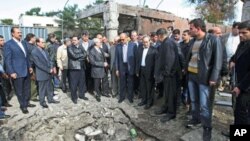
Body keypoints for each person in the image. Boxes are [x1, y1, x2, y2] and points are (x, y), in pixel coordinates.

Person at [186, 18, 223, 141]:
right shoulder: (193, 41)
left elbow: (218, 61)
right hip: (191, 75)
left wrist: (214, 77)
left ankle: (207, 127)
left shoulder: (213, 40)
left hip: (204, 77)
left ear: (198, 28)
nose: (189, 31)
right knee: (194, 100)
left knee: (204, 104)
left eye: (191, 28)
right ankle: (196, 119)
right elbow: (190, 57)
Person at [4, 27, 33, 114]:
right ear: (12, 34)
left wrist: (30, 66)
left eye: (20, 32)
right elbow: (8, 60)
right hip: (17, 71)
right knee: (19, 90)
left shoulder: (23, 43)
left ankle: (27, 102)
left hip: (26, 70)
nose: (20, 34)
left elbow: (26, 56)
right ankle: (23, 106)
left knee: (27, 89)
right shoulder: (8, 44)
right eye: (18, 32)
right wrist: (11, 72)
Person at [154, 28, 180, 122]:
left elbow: (170, 60)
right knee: (167, 93)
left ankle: (171, 113)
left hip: (171, 75)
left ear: (160, 36)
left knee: (171, 94)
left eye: (157, 36)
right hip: (168, 74)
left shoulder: (168, 43)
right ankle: (166, 108)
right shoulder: (165, 42)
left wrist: (166, 73)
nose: (157, 39)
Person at [230, 20, 250, 125]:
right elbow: (236, 56)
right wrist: (232, 61)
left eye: (244, 33)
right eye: (240, 32)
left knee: (244, 114)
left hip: (246, 88)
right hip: (238, 82)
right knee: (237, 111)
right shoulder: (242, 44)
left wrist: (240, 87)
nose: (240, 35)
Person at [32, 38, 60, 108]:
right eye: (42, 42)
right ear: (37, 43)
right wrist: (48, 70)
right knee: (42, 89)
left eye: (44, 42)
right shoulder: (34, 52)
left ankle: (50, 99)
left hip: (49, 73)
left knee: (50, 87)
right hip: (42, 73)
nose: (44, 44)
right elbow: (38, 64)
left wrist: (52, 67)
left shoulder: (45, 50)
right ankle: (42, 102)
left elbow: (49, 60)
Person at [136, 36, 158, 109]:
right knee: (142, 86)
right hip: (141, 69)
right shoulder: (140, 49)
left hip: (150, 71)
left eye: (146, 42)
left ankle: (149, 102)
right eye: (144, 42)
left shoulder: (154, 50)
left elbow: (156, 63)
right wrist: (137, 70)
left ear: (149, 41)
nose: (145, 43)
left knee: (149, 87)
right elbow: (138, 60)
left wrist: (155, 73)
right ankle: (144, 100)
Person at [115, 33, 137, 103]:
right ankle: (122, 97)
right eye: (120, 39)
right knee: (122, 83)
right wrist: (117, 69)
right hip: (122, 67)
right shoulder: (118, 46)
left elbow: (136, 58)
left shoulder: (133, 45)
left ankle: (130, 97)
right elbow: (116, 59)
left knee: (130, 83)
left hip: (130, 66)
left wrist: (136, 69)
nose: (121, 41)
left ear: (127, 38)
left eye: (123, 39)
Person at [68, 36, 88, 104]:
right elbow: (74, 56)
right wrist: (81, 56)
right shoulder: (69, 47)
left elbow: (85, 53)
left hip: (81, 67)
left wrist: (80, 56)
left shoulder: (80, 46)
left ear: (78, 41)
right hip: (74, 68)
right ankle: (74, 98)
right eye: (73, 40)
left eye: (75, 40)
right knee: (74, 83)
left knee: (82, 82)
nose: (74, 41)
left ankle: (82, 95)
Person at [23, 33, 39, 102]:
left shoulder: (33, 45)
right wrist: (30, 66)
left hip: (34, 65)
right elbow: (27, 57)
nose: (35, 39)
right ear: (31, 38)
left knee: (34, 81)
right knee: (32, 81)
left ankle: (33, 94)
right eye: (34, 38)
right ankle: (33, 96)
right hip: (30, 66)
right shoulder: (26, 45)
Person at [0, 35, 12, 107]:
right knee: (3, 87)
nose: (3, 42)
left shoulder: (4, 48)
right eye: (1, 40)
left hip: (6, 70)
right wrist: (2, 72)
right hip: (1, 72)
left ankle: (5, 99)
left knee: (8, 86)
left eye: (3, 40)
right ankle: (4, 102)